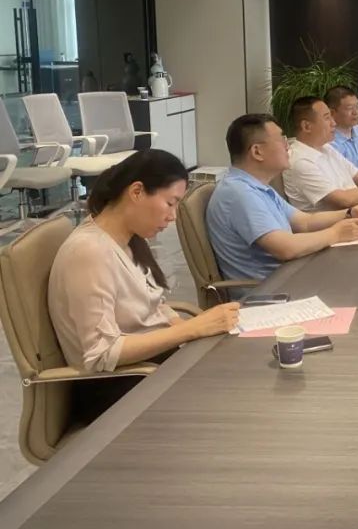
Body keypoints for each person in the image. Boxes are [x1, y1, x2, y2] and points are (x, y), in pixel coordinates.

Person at [48, 149, 242, 422]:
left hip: (149, 368)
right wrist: (191, 329)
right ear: (137, 192)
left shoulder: (127, 239)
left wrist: (185, 328)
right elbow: (102, 353)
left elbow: (152, 303)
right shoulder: (89, 251)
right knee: (236, 401)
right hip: (120, 387)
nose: (173, 216)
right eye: (170, 203)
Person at [207, 113, 358, 281]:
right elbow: (285, 248)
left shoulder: (257, 187)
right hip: (272, 289)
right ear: (257, 151)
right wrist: (336, 233)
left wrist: (349, 213)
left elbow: (305, 222)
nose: (288, 146)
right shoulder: (239, 194)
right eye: (281, 140)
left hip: (293, 274)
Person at [283, 96, 358, 211]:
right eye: (327, 118)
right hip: (340, 219)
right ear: (306, 126)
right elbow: (343, 200)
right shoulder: (300, 162)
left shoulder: (326, 148)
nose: (333, 123)